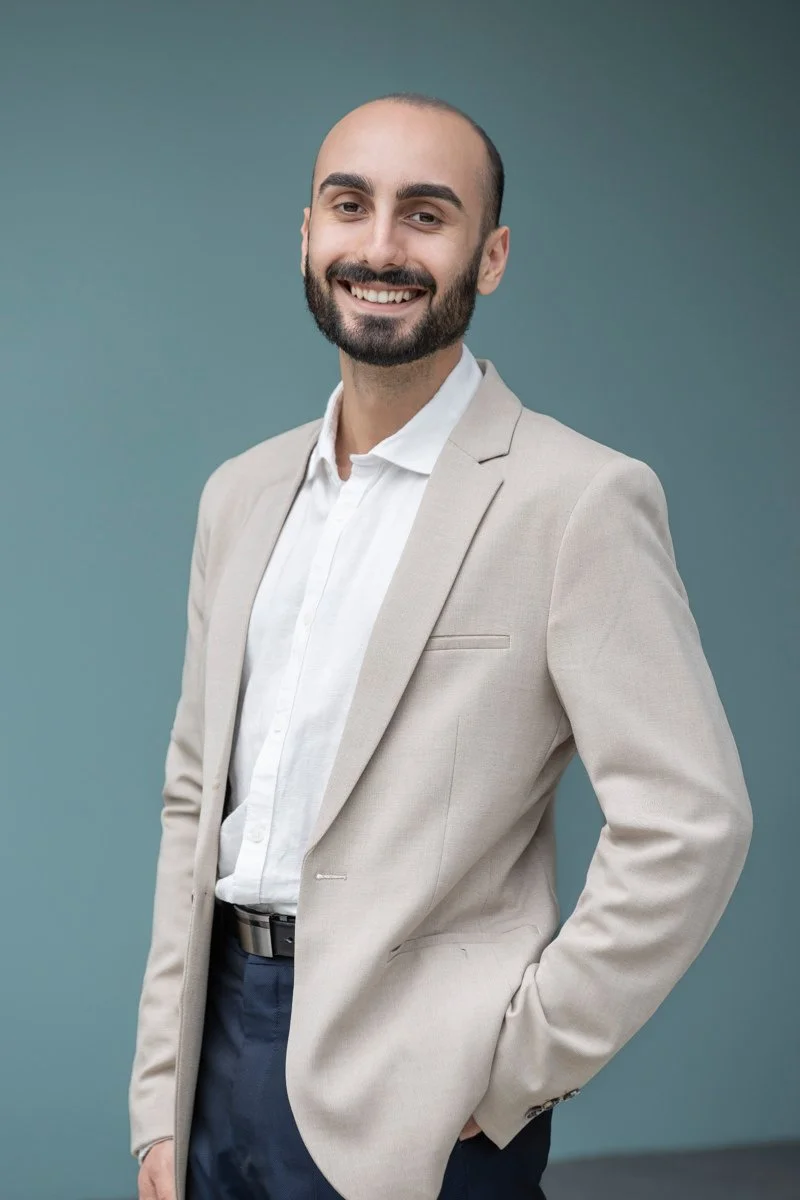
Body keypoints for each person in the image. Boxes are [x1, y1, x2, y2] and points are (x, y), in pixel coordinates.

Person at [129, 92, 753, 1200]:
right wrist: (159, 1095)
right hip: (216, 1050)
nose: (380, 247)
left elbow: (690, 823)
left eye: (426, 214)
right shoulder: (240, 494)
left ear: (490, 255)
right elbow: (193, 799)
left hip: (422, 1095)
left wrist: (516, 1068)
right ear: (307, 235)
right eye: (349, 206)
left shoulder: (576, 499)